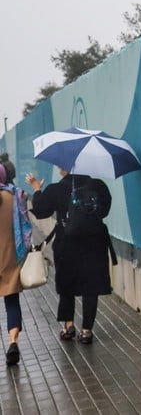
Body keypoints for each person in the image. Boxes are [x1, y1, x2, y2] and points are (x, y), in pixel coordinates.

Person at [26, 167, 114, 344]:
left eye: (61, 166)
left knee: (67, 284)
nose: (59, 170)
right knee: (91, 286)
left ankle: (68, 326)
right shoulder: (98, 186)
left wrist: (36, 189)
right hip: (94, 242)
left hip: (67, 243)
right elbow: (104, 211)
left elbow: (42, 211)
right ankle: (87, 330)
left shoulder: (55, 189)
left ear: (66, 168)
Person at [0, 156, 31, 366]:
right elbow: (25, 223)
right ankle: (13, 342)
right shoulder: (14, 196)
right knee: (12, 303)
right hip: (10, 256)